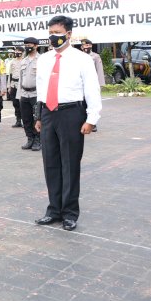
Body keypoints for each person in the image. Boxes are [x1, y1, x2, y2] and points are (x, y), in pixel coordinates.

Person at [34, 15, 102, 231]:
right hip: (48, 114)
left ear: (69, 34)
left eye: (57, 32)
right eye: (50, 33)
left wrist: (92, 119)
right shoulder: (44, 59)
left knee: (70, 164)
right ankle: (53, 209)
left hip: (71, 113)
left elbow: (92, 89)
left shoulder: (82, 59)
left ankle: (70, 213)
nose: (53, 37)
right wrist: (38, 115)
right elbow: (41, 88)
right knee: (50, 163)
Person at [19, 38, 41, 151]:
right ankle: (30, 139)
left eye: (29, 45)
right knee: (26, 118)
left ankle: (38, 140)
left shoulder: (41, 59)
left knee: (36, 118)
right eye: (26, 45)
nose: (27, 46)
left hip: (36, 94)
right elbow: (20, 79)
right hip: (24, 94)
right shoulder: (23, 60)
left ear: (36, 46)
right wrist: (19, 95)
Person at [7, 48, 24, 128]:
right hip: (13, 84)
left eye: (19, 51)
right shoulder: (12, 61)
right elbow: (10, 74)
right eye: (16, 51)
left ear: (22, 52)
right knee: (15, 103)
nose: (17, 53)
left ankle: (24, 120)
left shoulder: (24, 61)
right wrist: (9, 86)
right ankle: (18, 120)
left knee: (22, 103)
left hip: (21, 84)